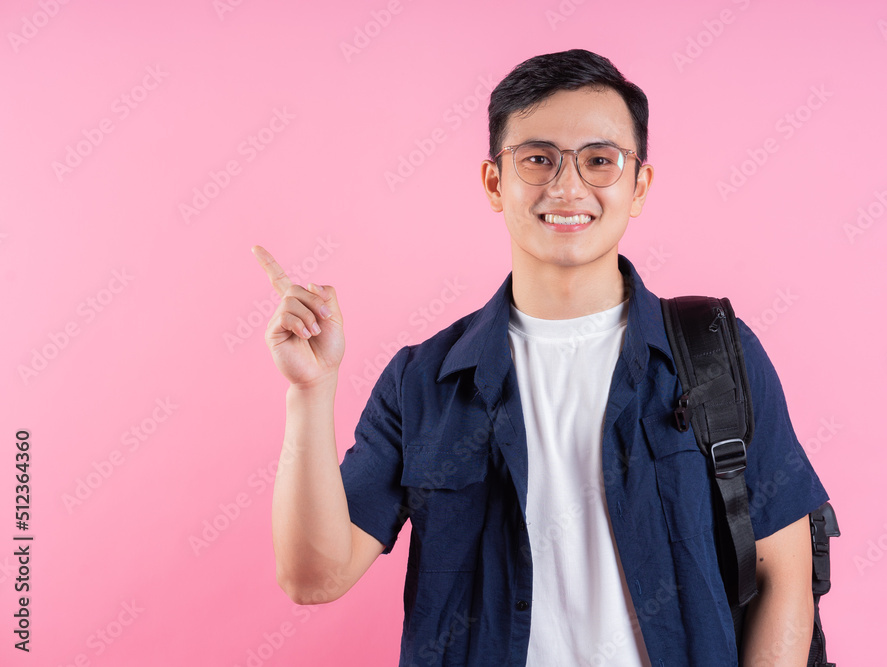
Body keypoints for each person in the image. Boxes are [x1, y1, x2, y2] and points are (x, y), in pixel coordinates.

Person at [254, 49, 829, 667]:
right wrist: (310, 392)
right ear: (495, 182)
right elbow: (313, 576)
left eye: (600, 161)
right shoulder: (423, 382)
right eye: (537, 159)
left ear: (639, 187)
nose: (567, 185)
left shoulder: (717, 355)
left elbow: (784, 581)